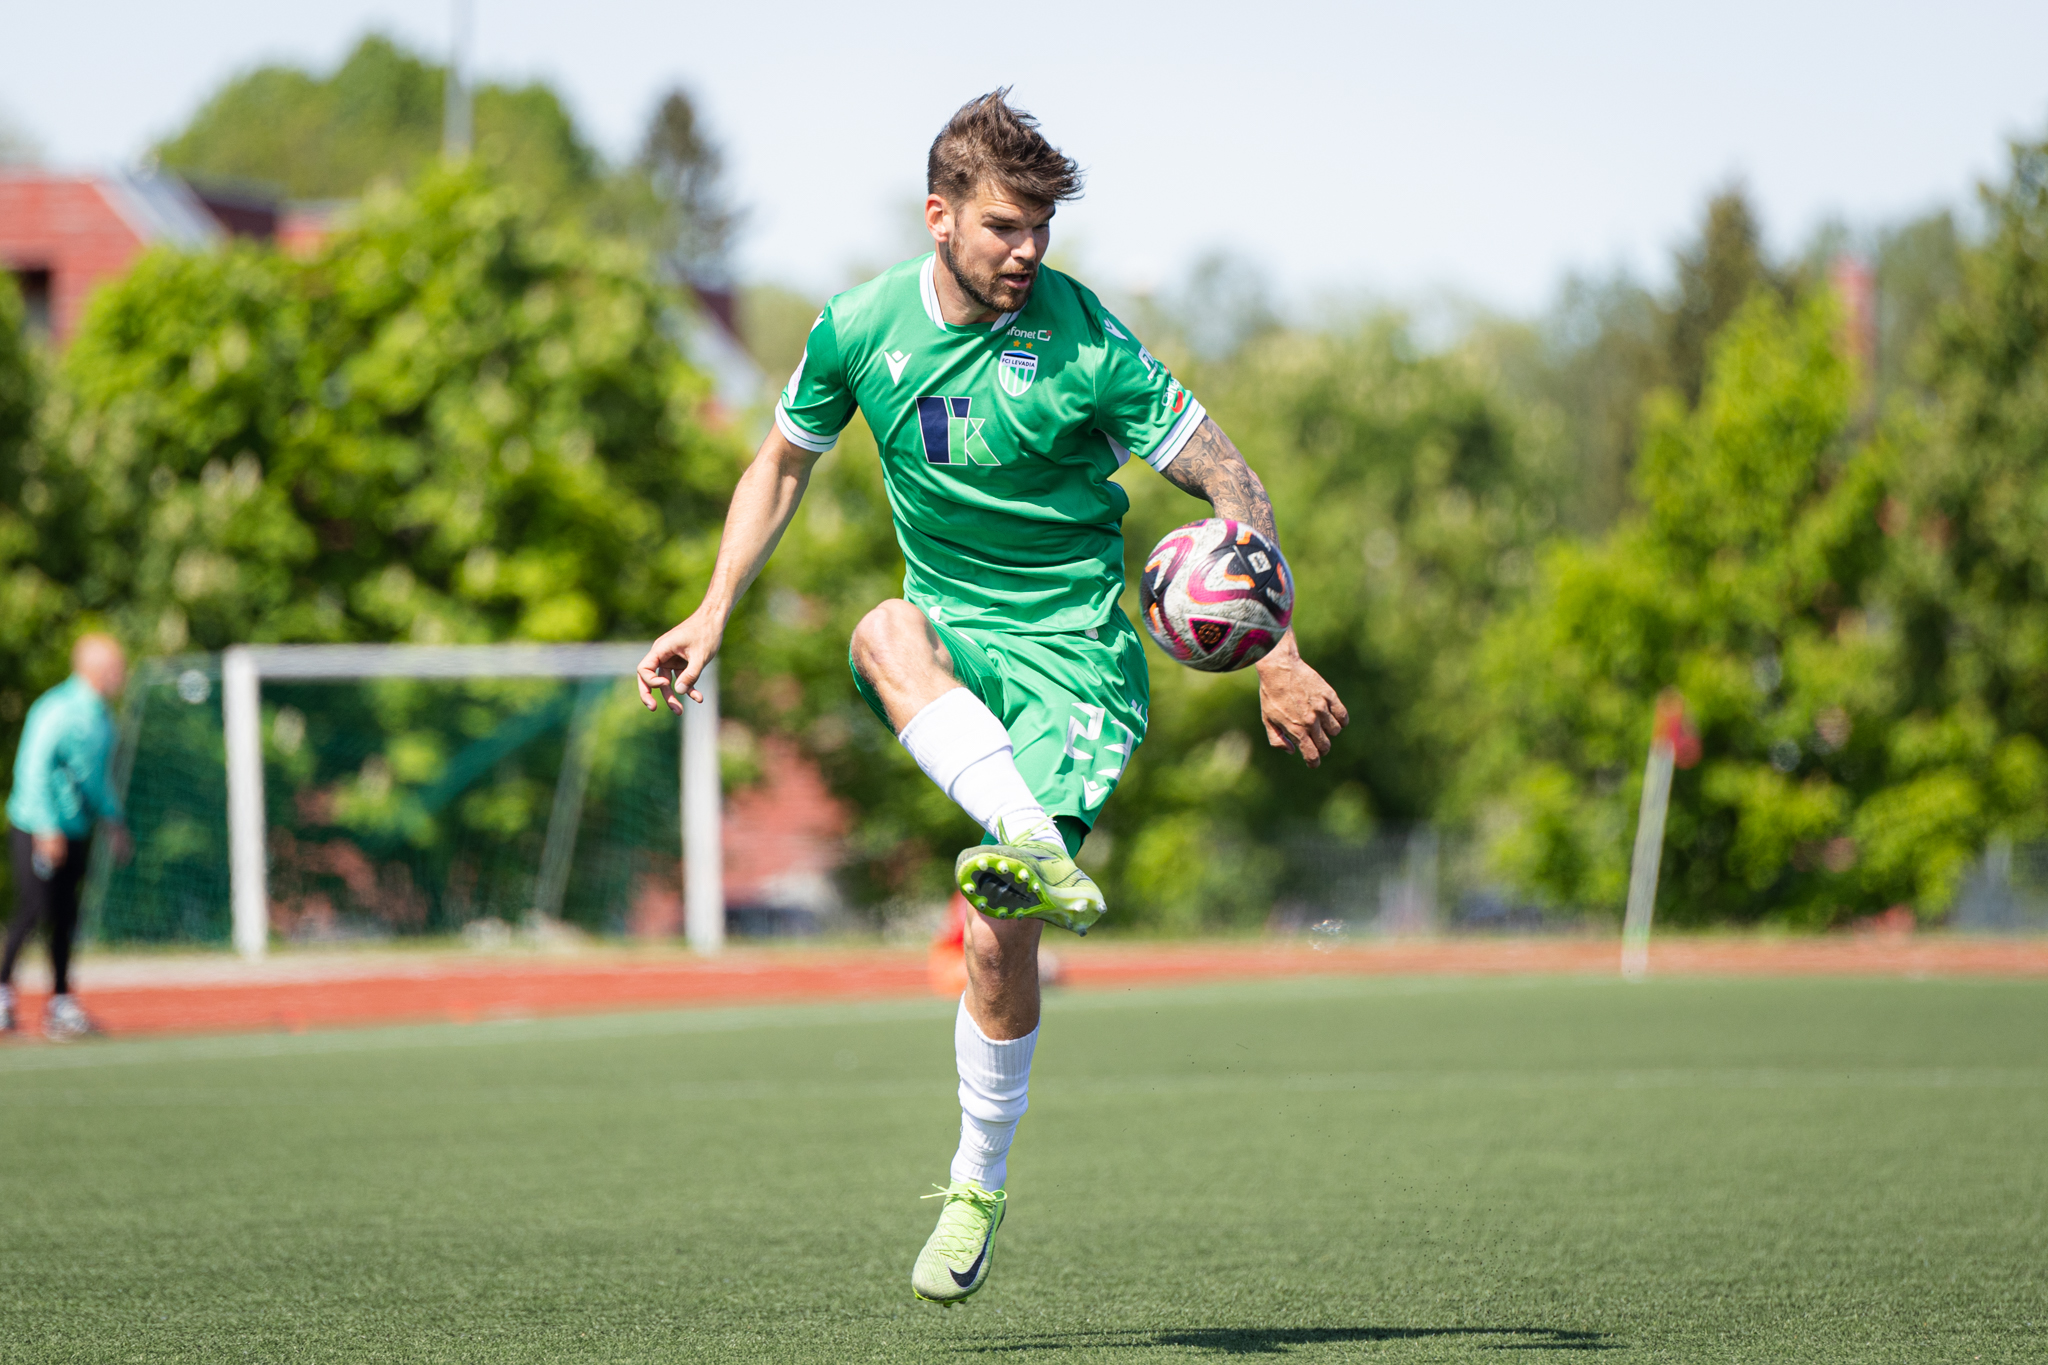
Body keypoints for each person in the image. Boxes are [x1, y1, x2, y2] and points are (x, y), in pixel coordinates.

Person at [636, 91, 1347, 1303]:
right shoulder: (856, 329)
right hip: (956, 636)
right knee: (877, 627)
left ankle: (976, 1180)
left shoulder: (1088, 344)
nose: (1029, 250)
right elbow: (781, 463)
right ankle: (1023, 837)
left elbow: (1232, 480)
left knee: (992, 937)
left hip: (1075, 655)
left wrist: (1272, 649)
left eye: (1043, 230)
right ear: (939, 216)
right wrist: (711, 610)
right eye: (1007, 225)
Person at [3, 634, 130, 1040]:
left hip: (76, 830)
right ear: (98, 670)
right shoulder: (57, 709)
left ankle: (60, 1004)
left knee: (65, 917)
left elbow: (96, 780)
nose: (121, 676)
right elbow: (33, 769)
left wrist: (114, 821)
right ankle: (2, 994)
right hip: (36, 827)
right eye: (117, 667)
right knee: (34, 909)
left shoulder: (103, 719)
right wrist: (45, 827)